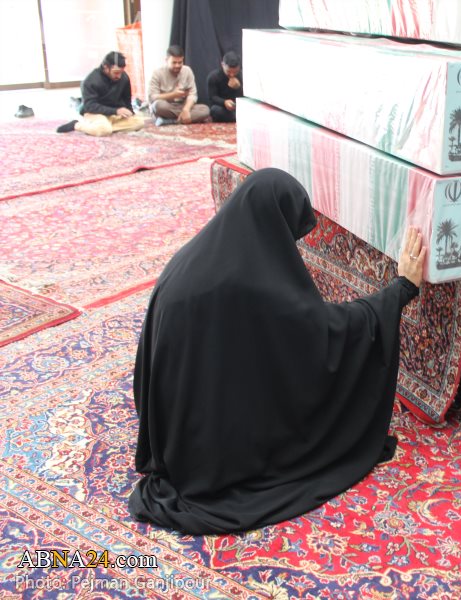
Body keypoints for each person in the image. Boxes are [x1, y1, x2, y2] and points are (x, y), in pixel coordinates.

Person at [129, 168, 426, 534]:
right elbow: (323, 337)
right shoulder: (250, 286)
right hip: (206, 453)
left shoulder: (197, 256)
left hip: (168, 427)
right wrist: (402, 288)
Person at [56, 51, 144, 135]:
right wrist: (116, 111)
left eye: (121, 72)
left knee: (139, 123)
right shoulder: (90, 81)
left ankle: (102, 127)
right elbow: (90, 106)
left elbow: (127, 100)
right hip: (95, 113)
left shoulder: (124, 78)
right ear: (106, 68)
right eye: (116, 73)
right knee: (103, 130)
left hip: (114, 114)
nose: (119, 76)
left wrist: (130, 112)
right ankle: (77, 125)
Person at [147, 45, 210, 126]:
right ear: (166, 60)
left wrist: (186, 110)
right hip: (166, 106)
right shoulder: (157, 73)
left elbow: (193, 95)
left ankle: (169, 121)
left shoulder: (187, 71)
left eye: (180, 62)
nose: (177, 65)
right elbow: (152, 97)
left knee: (205, 110)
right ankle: (183, 119)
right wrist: (173, 95)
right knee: (157, 106)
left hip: (182, 106)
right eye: (174, 62)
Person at [206, 51, 243, 123]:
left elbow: (247, 97)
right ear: (223, 65)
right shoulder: (213, 77)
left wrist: (239, 88)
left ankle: (237, 116)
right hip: (223, 107)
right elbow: (212, 97)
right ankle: (237, 117)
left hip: (238, 106)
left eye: (235, 72)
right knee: (215, 110)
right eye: (228, 71)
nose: (232, 75)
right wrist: (224, 102)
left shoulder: (242, 75)